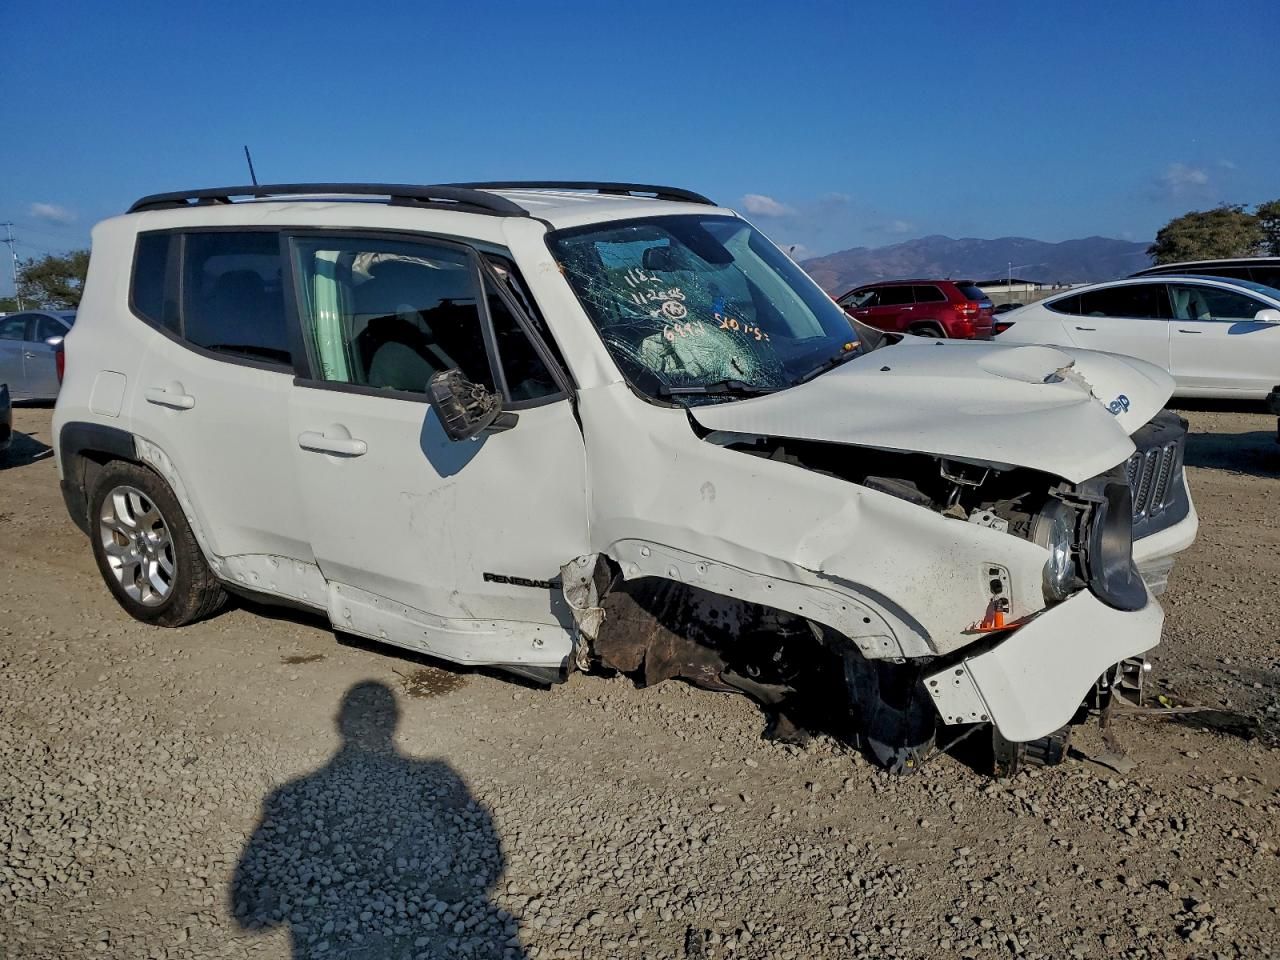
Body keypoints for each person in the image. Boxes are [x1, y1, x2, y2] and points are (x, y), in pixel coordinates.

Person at [231, 682, 523, 959]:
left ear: (339, 723)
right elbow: (493, 866)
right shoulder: (439, 773)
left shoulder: (291, 794)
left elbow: (249, 917)